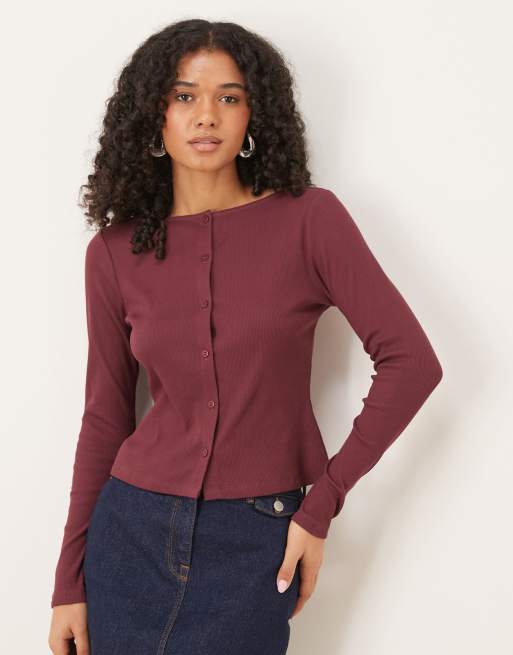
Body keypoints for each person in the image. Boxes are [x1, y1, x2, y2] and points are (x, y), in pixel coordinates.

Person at [48, 18, 443, 655]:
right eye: (184, 96)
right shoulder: (115, 252)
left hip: (258, 537)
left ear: (255, 114)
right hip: (130, 535)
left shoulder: (309, 219)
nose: (206, 115)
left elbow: (412, 363)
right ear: (154, 115)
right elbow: (104, 418)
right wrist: (68, 582)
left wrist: (322, 505)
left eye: (228, 97)